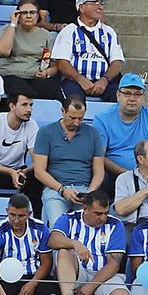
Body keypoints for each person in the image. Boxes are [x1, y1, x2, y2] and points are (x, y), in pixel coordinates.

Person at [33, 95, 107, 226]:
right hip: (56, 189)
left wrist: (90, 193)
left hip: (84, 190)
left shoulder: (93, 134)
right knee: (59, 227)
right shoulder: (46, 132)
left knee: (89, 226)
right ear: (63, 111)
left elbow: (99, 171)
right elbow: (39, 171)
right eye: (72, 118)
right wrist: (62, 190)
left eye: (80, 118)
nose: (77, 123)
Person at [50, 190, 131, 295]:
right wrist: (75, 244)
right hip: (77, 273)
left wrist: (90, 287)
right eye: (98, 213)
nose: (103, 218)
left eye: (106, 213)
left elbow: (114, 264)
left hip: (103, 276)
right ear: (85, 208)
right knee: (64, 251)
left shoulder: (115, 225)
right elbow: (53, 240)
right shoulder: (69, 219)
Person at [51, 0, 123, 103]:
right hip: (75, 81)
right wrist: (80, 79)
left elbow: (117, 62)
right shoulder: (68, 31)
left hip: (105, 81)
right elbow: (62, 63)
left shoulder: (109, 32)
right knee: (74, 102)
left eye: (101, 3)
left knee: (119, 99)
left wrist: (104, 80)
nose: (100, 7)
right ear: (81, 7)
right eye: (95, 3)